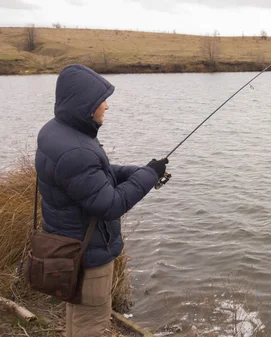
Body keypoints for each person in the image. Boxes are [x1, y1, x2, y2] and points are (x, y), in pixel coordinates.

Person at [34, 64, 168, 337]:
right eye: (101, 101)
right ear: (84, 105)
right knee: (92, 325)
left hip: (67, 247)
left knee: (78, 316)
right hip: (87, 254)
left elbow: (95, 174)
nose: (106, 106)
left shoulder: (57, 132)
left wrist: (142, 172)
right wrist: (147, 178)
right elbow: (110, 205)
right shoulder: (76, 150)